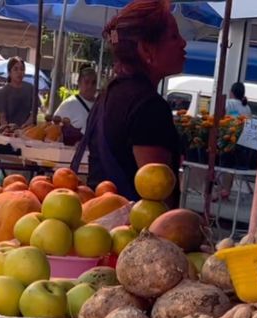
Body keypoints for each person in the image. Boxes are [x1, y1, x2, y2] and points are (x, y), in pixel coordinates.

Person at [76, 0, 186, 201]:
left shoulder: (107, 95)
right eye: (174, 36)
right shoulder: (149, 108)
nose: (183, 42)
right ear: (146, 50)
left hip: (100, 222)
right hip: (134, 229)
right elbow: (157, 197)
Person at [0, 57, 38, 128]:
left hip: (27, 130)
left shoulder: (30, 89)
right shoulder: (3, 92)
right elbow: (2, 118)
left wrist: (24, 127)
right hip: (8, 131)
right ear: (9, 72)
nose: (19, 72)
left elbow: (34, 113)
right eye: (15, 69)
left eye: (22, 69)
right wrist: (10, 129)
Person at [54, 66, 97, 133]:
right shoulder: (68, 104)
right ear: (79, 83)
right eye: (86, 82)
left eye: (93, 83)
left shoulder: (101, 105)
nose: (90, 86)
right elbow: (54, 129)